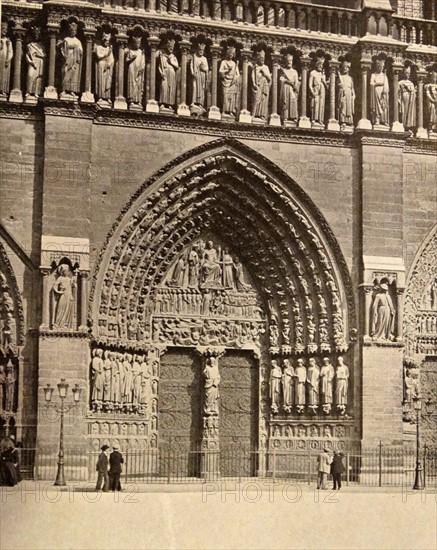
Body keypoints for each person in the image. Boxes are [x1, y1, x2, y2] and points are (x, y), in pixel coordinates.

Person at [60, 21, 83, 97]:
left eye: (74, 31)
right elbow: (62, 49)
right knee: (66, 72)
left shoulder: (78, 41)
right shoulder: (66, 39)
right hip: (67, 58)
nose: (73, 32)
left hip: (75, 59)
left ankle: (72, 90)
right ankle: (64, 89)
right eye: (71, 31)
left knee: (74, 74)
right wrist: (64, 55)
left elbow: (81, 51)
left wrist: (75, 48)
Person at [279, 53, 299, 124]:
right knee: (285, 102)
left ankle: (293, 117)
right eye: (287, 60)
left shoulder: (294, 72)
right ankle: (285, 117)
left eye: (290, 60)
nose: (289, 62)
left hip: (292, 89)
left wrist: (295, 85)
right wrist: (287, 81)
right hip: (285, 88)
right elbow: (281, 79)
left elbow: (296, 82)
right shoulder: (283, 71)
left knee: (293, 101)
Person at [370, 56, 389, 126]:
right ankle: (376, 119)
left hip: (383, 93)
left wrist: (385, 90)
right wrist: (378, 83)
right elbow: (371, 83)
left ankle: (383, 120)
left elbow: (386, 85)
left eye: (382, 67)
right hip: (376, 92)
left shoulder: (384, 76)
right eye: (379, 67)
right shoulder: (373, 75)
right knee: (377, 106)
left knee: (384, 105)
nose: (381, 68)